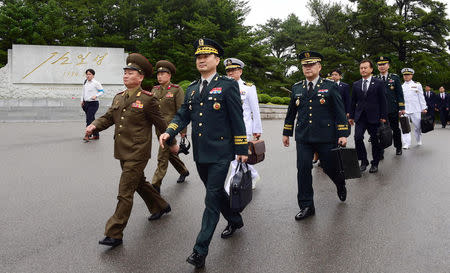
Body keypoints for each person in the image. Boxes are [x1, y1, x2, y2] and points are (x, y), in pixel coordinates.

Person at [159, 38, 248, 269]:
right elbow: (181, 115)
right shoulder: (191, 88)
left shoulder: (228, 85)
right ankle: (236, 220)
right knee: (217, 195)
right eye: (198, 57)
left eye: (206, 56)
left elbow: (237, 119)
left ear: (216, 60)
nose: (201, 60)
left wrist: (241, 149)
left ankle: (200, 250)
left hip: (221, 153)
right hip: (201, 154)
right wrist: (169, 132)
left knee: (210, 199)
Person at [85, 53, 173, 247]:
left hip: (138, 152)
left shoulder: (148, 99)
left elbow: (161, 124)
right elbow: (108, 117)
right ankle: (160, 205)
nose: (126, 75)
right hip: (122, 150)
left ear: (140, 77)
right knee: (139, 183)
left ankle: (115, 232)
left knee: (125, 191)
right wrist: (94, 125)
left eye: (130, 73)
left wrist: (170, 140)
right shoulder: (119, 97)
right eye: (125, 72)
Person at [282, 51, 349, 221]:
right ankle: (306, 206)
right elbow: (291, 112)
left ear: (319, 67)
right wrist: (286, 132)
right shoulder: (297, 87)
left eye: (311, 65)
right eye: (305, 65)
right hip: (303, 136)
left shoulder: (331, 86)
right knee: (303, 169)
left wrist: (343, 133)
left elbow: (339, 111)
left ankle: (340, 182)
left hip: (326, 135)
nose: (308, 68)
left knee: (329, 167)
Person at [150, 60, 190, 193]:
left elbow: (181, 111)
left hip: (171, 129)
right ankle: (183, 171)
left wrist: (183, 131)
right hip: (158, 128)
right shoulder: (154, 90)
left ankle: (155, 185)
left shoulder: (176, 90)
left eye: (163, 73)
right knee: (171, 154)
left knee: (162, 156)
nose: (159, 76)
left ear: (169, 75)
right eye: (158, 74)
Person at [223, 57, 262, 190]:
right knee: (240, 156)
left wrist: (257, 129)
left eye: (233, 70)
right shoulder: (223, 87)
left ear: (240, 71)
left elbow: (255, 110)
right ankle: (253, 175)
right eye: (228, 71)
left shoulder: (248, 88)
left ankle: (231, 188)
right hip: (227, 128)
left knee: (236, 158)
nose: (230, 73)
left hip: (244, 128)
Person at [349, 59, 387, 173]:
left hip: (374, 116)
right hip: (360, 117)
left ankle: (375, 163)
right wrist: (351, 116)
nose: (363, 70)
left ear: (371, 69)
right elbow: (352, 101)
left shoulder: (379, 83)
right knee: (357, 138)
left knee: (375, 140)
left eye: (365, 68)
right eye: (361, 68)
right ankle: (363, 160)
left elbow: (383, 101)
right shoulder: (356, 84)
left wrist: (383, 116)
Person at [374, 56, 405, 156]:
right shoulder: (375, 78)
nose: (382, 66)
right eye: (379, 65)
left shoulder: (394, 78)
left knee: (395, 129)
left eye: (384, 64)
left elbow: (399, 94)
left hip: (392, 108)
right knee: (380, 131)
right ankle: (381, 150)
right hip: (379, 110)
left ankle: (398, 147)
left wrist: (401, 108)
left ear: (388, 65)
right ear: (377, 66)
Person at [400, 68, 427, 148]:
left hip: (416, 109)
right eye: (405, 75)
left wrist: (424, 108)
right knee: (404, 127)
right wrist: (399, 109)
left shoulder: (417, 85)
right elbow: (399, 99)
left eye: (408, 75)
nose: (406, 76)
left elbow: (421, 97)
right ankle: (406, 143)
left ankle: (418, 139)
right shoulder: (401, 86)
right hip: (405, 110)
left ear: (412, 75)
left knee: (418, 127)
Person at [81, 69, 104, 140]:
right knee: (92, 119)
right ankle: (96, 135)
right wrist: (82, 100)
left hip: (93, 104)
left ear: (93, 75)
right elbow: (83, 92)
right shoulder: (85, 82)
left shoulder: (96, 83)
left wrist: (96, 96)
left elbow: (102, 91)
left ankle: (87, 135)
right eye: (87, 74)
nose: (88, 76)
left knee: (89, 119)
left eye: (89, 74)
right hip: (86, 103)